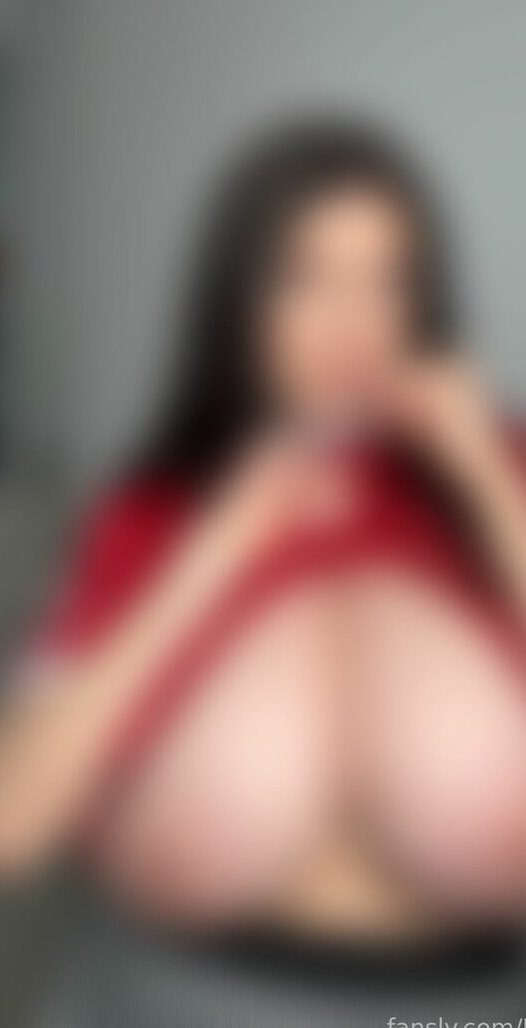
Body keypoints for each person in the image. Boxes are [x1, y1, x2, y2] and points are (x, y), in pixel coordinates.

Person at [2, 117, 526, 952]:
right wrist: (211, 554)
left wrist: (484, 477)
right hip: (187, 995)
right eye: (306, 278)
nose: (354, 321)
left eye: (388, 280)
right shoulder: (151, 506)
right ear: (241, 300)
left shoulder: (495, 467)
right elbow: (14, 823)